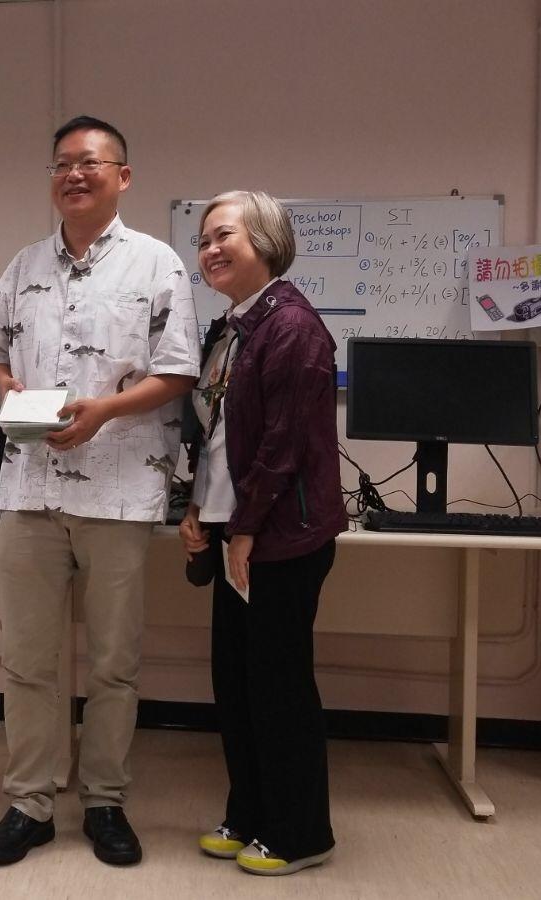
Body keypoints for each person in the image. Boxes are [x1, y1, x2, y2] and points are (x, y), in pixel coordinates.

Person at [0, 116, 200, 866]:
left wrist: (104, 410)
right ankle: (30, 802)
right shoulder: (25, 263)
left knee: (113, 662)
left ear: (122, 176)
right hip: (29, 490)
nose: (74, 174)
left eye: (90, 163)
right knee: (27, 659)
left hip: (119, 493)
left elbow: (179, 372)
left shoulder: (157, 264)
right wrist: (15, 391)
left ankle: (104, 800)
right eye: (62, 163)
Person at [178, 190, 347, 876]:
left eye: (225, 236)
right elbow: (216, 437)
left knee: (278, 687)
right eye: (204, 240)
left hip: (280, 539)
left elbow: (286, 446)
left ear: (267, 243)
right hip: (235, 531)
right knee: (237, 684)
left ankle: (302, 834)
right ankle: (249, 813)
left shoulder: (294, 327)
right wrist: (200, 512)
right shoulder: (233, 327)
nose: (210, 250)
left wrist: (244, 529)